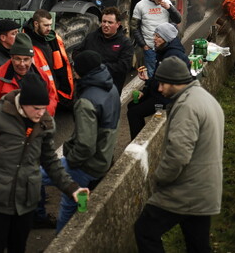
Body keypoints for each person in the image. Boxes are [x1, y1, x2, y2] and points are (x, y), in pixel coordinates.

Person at [0, 73, 88, 253]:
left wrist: (72, 188)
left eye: (44, 108)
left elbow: (50, 160)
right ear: (23, 103)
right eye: (36, 108)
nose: (41, 113)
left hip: (26, 201)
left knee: (18, 247)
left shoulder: (45, 123)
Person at [134, 57, 224, 253]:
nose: (159, 89)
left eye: (162, 83)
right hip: (205, 188)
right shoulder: (204, 97)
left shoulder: (187, 107)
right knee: (198, 246)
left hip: (186, 190)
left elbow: (178, 155)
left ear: (175, 82)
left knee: (145, 230)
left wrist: (160, 178)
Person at [40, 50, 120, 233]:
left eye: (75, 65)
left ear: (83, 70)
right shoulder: (110, 86)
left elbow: (85, 144)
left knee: (65, 207)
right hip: (103, 158)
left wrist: (73, 162)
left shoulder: (86, 101)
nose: (73, 69)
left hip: (85, 165)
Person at [127, 22, 190, 140]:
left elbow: (165, 84)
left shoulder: (173, 56)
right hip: (158, 92)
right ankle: (139, 139)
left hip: (167, 98)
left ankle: (138, 146)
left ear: (166, 39)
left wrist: (149, 84)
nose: (154, 39)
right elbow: (157, 78)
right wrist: (144, 90)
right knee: (132, 105)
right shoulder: (164, 51)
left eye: (158, 36)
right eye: (154, 35)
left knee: (134, 113)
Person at [0, 33, 58, 116]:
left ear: (32, 59)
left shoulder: (41, 76)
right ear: (11, 58)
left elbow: (52, 98)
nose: (22, 64)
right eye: (18, 59)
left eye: (26, 59)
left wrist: (42, 114)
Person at [72, 6, 135, 93]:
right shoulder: (92, 37)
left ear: (118, 24)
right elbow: (76, 52)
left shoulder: (125, 43)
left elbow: (124, 66)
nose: (106, 25)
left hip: (110, 88)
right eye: (104, 21)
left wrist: (97, 67)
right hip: (88, 85)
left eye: (110, 22)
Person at [131, 0, 183, 79]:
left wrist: (170, 8)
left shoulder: (167, 3)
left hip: (165, 46)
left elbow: (178, 20)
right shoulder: (140, 5)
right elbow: (134, 27)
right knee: (152, 74)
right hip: (150, 47)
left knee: (168, 72)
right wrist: (143, 45)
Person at [23, 9, 74, 105]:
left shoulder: (54, 39)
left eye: (50, 25)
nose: (49, 28)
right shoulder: (26, 42)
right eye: (46, 25)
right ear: (36, 24)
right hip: (39, 96)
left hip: (55, 94)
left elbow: (61, 66)